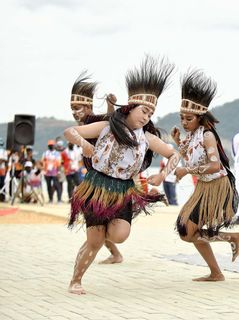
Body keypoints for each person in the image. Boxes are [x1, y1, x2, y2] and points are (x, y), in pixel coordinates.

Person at [64, 56, 179, 295]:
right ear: (130, 107)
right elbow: (70, 131)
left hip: (123, 190)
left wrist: (163, 175)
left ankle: (105, 243)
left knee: (119, 235)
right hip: (97, 185)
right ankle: (76, 280)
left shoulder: (146, 138)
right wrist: (84, 144)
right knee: (95, 241)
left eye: (150, 113)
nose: (146, 117)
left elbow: (173, 154)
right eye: (143, 111)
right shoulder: (106, 126)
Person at [172, 69, 239, 281]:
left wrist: (186, 170)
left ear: (200, 117)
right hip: (203, 187)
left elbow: (213, 165)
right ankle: (216, 272)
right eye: (182, 118)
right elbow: (192, 156)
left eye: (189, 118)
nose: (184, 122)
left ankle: (232, 238)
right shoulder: (193, 135)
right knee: (187, 230)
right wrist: (178, 142)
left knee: (187, 231)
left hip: (217, 187)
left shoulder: (208, 135)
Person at [69, 71, 123, 264]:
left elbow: (109, 121)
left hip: (104, 183)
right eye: (72, 108)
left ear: (88, 106)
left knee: (100, 222)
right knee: (98, 221)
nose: (74, 112)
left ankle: (110, 252)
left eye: (78, 107)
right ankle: (114, 253)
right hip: (94, 181)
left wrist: (110, 106)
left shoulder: (93, 121)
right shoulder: (84, 124)